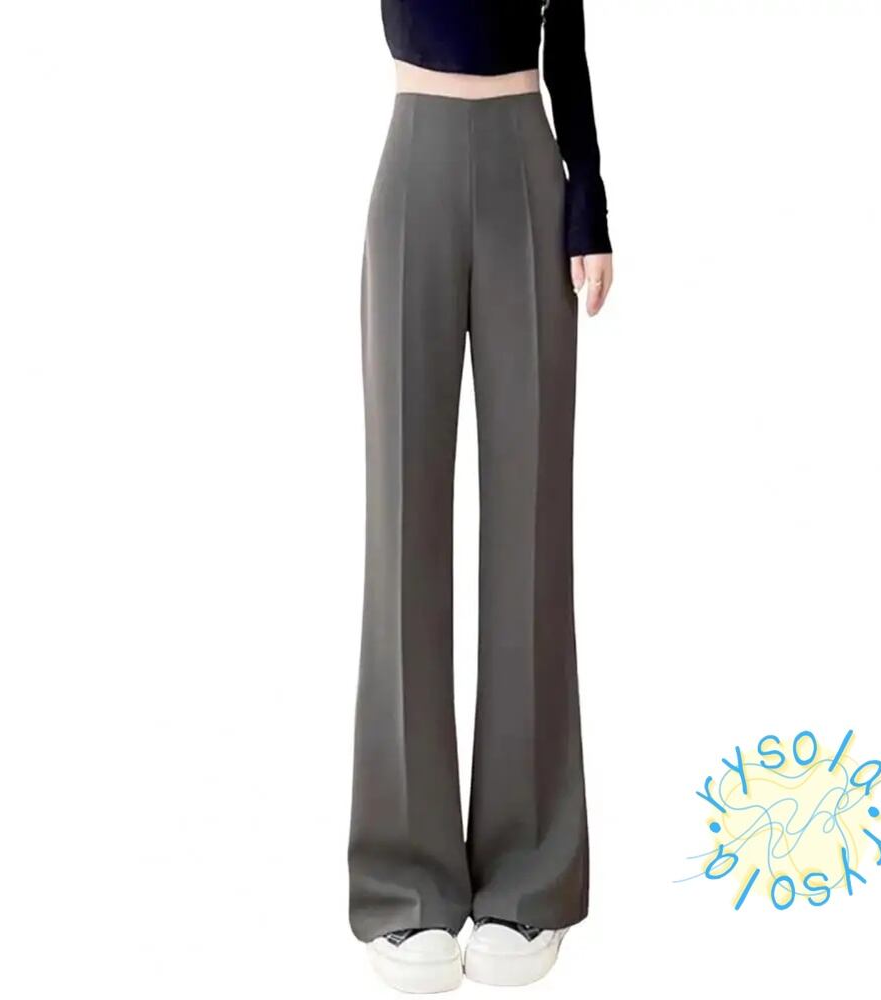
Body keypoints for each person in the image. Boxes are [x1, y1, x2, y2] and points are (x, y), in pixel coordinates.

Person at [349, 1, 613, 991]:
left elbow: (567, 41)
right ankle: (405, 883)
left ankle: (529, 875)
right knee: (403, 524)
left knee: (530, 525)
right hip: (414, 152)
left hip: (524, 163)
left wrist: (589, 201)